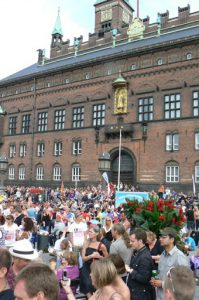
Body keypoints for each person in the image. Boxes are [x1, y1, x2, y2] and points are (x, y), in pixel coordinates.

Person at [151, 227, 189, 300]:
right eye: (160, 237)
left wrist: (162, 284)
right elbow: (162, 274)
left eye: (164, 237)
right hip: (160, 296)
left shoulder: (179, 256)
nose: (160, 239)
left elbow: (184, 281)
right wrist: (155, 280)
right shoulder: (162, 254)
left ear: (172, 240)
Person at [80, 225, 108, 298]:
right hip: (86, 267)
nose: (88, 233)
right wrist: (91, 256)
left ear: (96, 233)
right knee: (87, 284)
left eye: (90, 231)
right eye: (88, 231)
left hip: (97, 268)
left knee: (96, 287)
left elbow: (108, 259)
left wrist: (99, 257)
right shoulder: (86, 243)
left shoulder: (101, 245)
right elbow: (83, 259)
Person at [127, 228, 153, 300]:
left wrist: (130, 270)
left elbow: (144, 278)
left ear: (140, 241)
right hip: (135, 292)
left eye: (132, 241)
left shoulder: (145, 257)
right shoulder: (137, 251)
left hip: (140, 295)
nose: (130, 243)